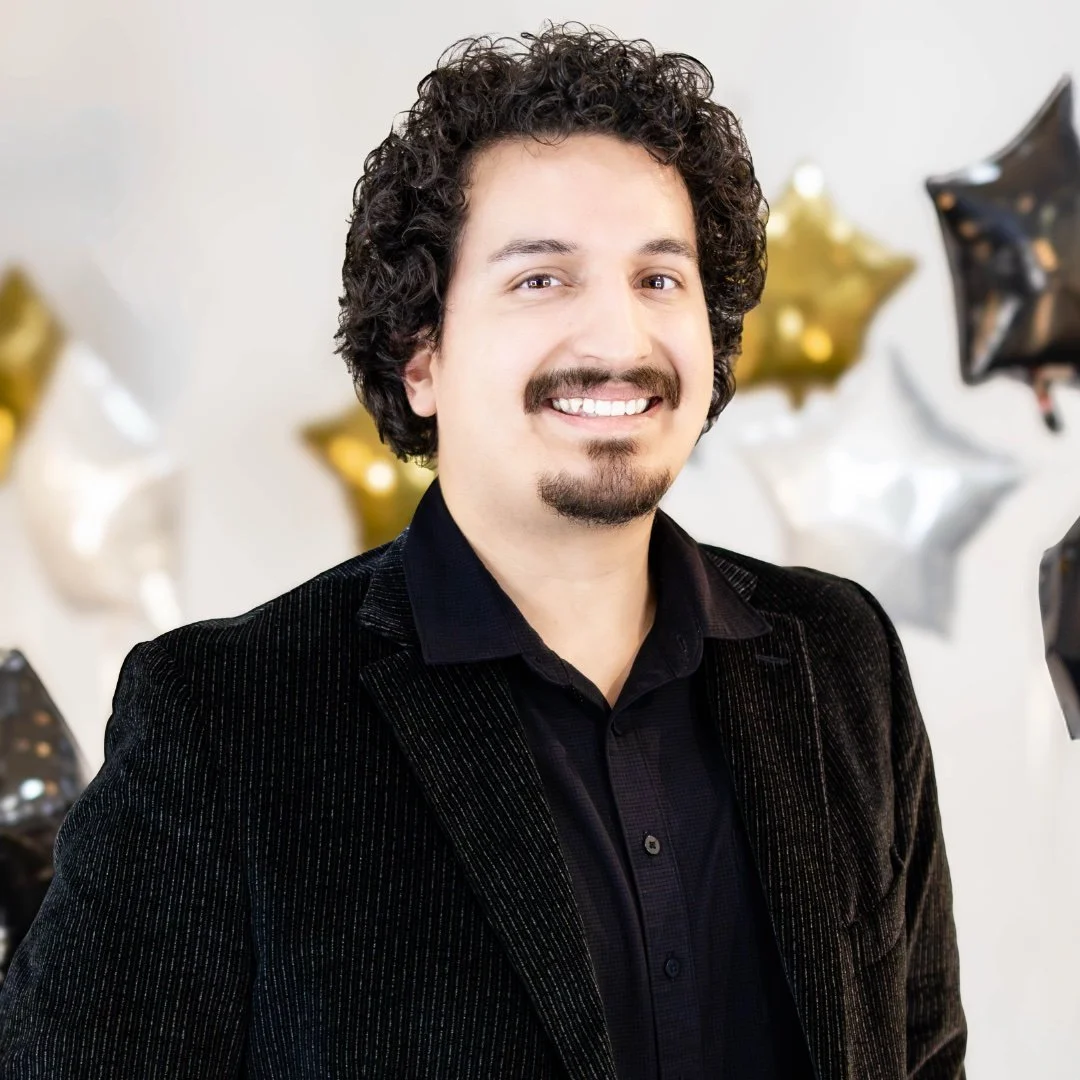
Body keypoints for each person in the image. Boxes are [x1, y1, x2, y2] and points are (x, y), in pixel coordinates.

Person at [0, 23, 966, 1080]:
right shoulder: (225, 720)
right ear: (421, 354)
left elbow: (922, 1055)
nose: (618, 339)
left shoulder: (841, 657)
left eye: (660, 278)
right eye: (542, 280)